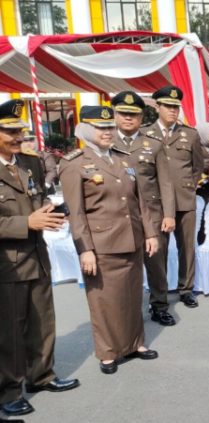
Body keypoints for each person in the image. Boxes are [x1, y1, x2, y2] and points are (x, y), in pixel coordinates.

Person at [59, 106, 160, 374]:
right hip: (101, 244)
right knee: (105, 301)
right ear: (86, 131)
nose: (107, 132)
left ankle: (134, 343)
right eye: (100, 128)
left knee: (131, 294)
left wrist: (150, 232)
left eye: (109, 127)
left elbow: (140, 202)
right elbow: (76, 213)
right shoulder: (75, 163)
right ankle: (107, 352)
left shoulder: (123, 159)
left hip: (132, 239)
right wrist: (85, 249)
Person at [0, 99, 79, 417]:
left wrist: (50, 211)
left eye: (20, 130)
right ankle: (7, 390)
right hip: (8, 263)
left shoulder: (29, 163)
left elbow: (38, 196)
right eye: (10, 132)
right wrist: (26, 223)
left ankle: (40, 376)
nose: (18, 137)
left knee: (42, 322)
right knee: (9, 330)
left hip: (36, 255)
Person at [111, 91, 177, 327]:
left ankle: (159, 305)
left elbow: (166, 182)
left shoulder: (154, 145)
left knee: (157, 265)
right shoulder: (107, 142)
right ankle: (128, 310)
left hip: (154, 215)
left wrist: (169, 214)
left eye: (134, 115)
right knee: (126, 267)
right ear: (115, 115)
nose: (128, 118)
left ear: (141, 117)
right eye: (123, 114)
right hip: (120, 217)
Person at [141, 86, 203, 308]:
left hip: (184, 200)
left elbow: (198, 166)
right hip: (156, 203)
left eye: (176, 107)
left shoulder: (190, 134)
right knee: (157, 251)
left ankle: (186, 288)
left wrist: (187, 186)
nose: (173, 110)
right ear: (157, 107)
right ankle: (159, 294)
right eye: (168, 106)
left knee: (186, 246)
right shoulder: (145, 134)